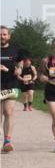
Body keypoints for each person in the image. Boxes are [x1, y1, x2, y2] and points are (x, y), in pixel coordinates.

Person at [1, 25, 25, 153]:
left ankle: (7, 141)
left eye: (4, 34)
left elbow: (20, 63)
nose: (2, 36)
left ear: (9, 36)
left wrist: (19, 69)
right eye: (0, 34)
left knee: (8, 111)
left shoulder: (16, 50)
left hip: (11, 84)